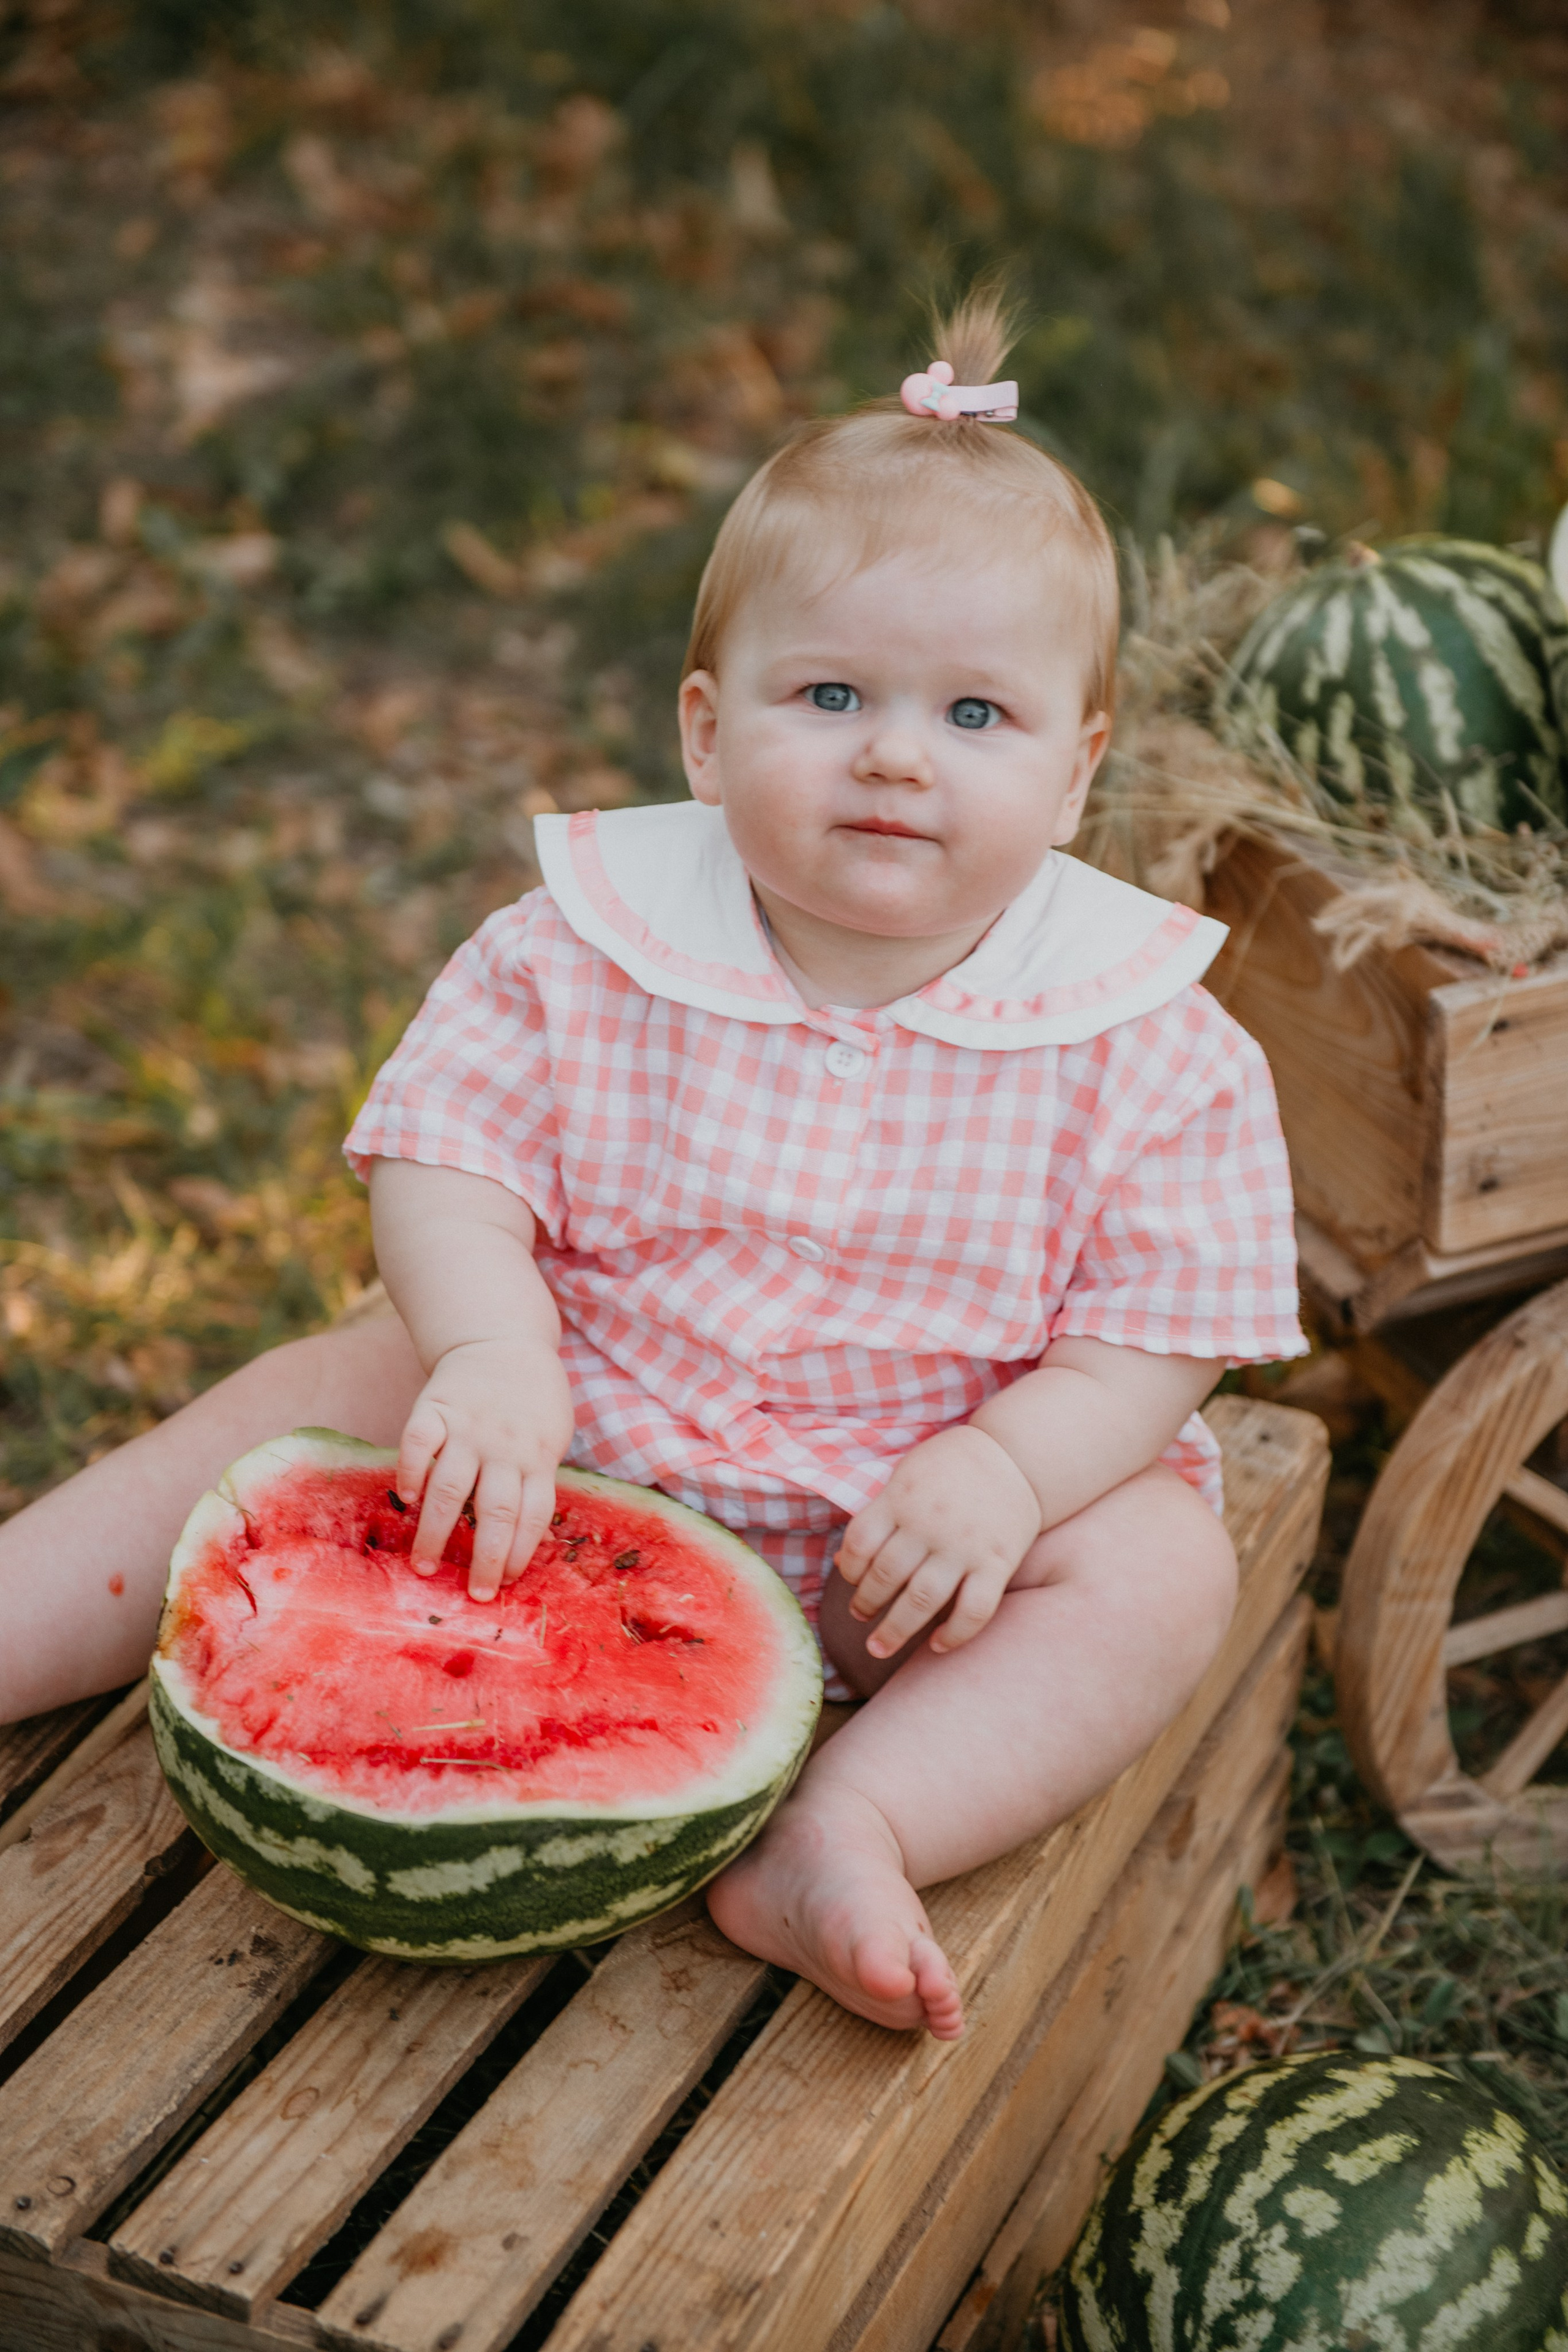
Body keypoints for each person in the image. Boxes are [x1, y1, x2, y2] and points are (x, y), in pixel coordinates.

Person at [0, 294, 1303, 2038]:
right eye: (829, 693)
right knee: (319, 1386)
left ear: (1077, 775)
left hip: (905, 1543)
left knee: (1155, 1575)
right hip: (549, 1433)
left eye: (976, 715)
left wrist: (1009, 1468)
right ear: (706, 730)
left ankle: (853, 1822)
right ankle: (25, 1616)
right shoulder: (578, 951)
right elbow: (444, 1162)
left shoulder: (1152, 1044)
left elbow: (1157, 1338)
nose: (898, 752)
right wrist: (489, 1345)